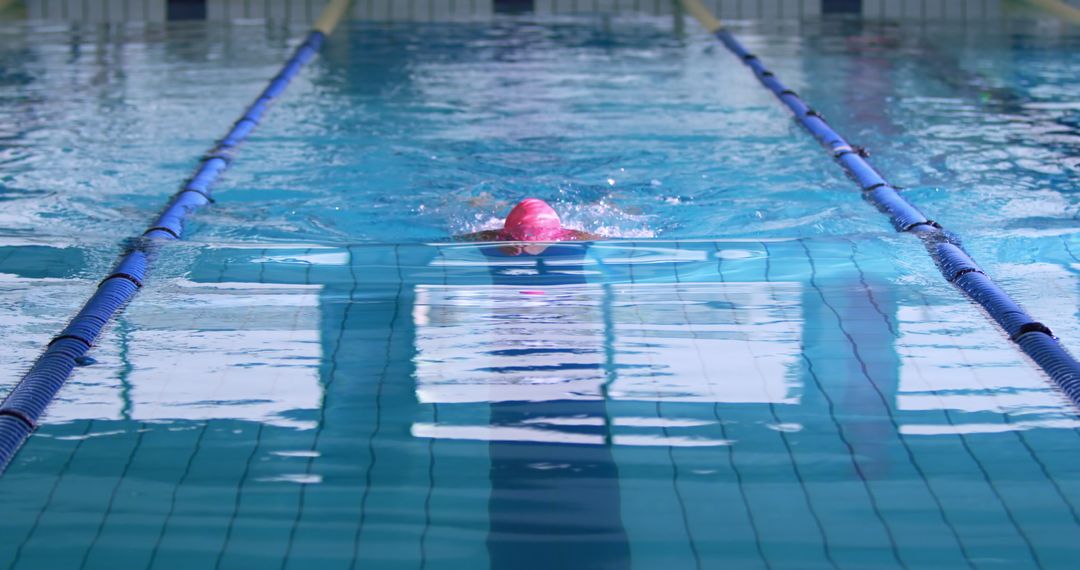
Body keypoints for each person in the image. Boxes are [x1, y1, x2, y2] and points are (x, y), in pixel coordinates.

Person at [456, 198, 600, 252]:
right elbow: (460, 239)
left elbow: (600, 238)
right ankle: (479, 200)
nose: (528, 246)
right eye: (523, 240)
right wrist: (496, 244)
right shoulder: (499, 236)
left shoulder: (569, 236)